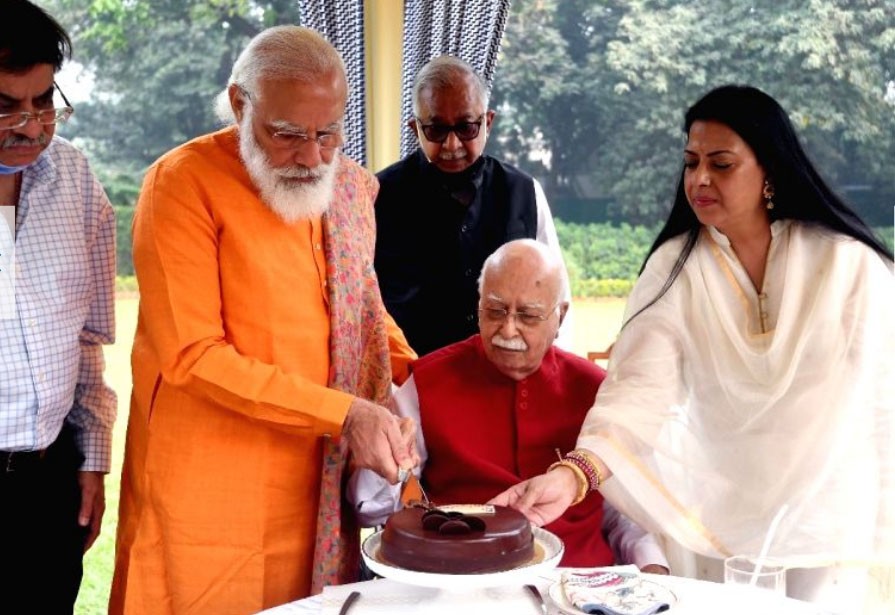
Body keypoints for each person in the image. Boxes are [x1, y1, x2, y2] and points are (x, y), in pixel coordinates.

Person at [491, 85, 894, 614]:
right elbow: (638, 393)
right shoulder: (675, 269)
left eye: (721, 164)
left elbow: (878, 404)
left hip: (831, 520)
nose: (700, 179)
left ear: (769, 169)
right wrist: (573, 478)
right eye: (691, 162)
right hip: (718, 524)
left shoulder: (846, 264)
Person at [110, 26, 419, 614]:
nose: (310, 156)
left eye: (328, 134)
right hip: (211, 496)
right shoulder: (182, 184)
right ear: (238, 104)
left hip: (320, 489)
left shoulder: (348, 190)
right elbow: (192, 355)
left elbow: (366, 316)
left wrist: (431, 383)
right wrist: (344, 414)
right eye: (287, 135)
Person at [350, 239, 668, 572]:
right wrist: (388, 465)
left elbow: (627, 515)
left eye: (528, 315)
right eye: (495, 310)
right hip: (461, 583)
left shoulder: (597, 390)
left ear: (560, 316)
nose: (508, 329)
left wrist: (654, 571)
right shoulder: (426, 384)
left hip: (578, 585)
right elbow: (368, 509)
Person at [0, 1, 117, 613]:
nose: (31, 126)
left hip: (48, 480)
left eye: (43, 100)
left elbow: (87, 339)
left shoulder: (72, 179)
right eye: (4, 106)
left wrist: (91, 461)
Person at [374, 55, 574, 358]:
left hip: (503, 378)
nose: (452, 145)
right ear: (416, 129)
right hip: (411, 384)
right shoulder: (377, 197)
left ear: (487, 122)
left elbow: (555, 295)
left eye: (466, 127)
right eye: (436, 130)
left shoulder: (524, 192)